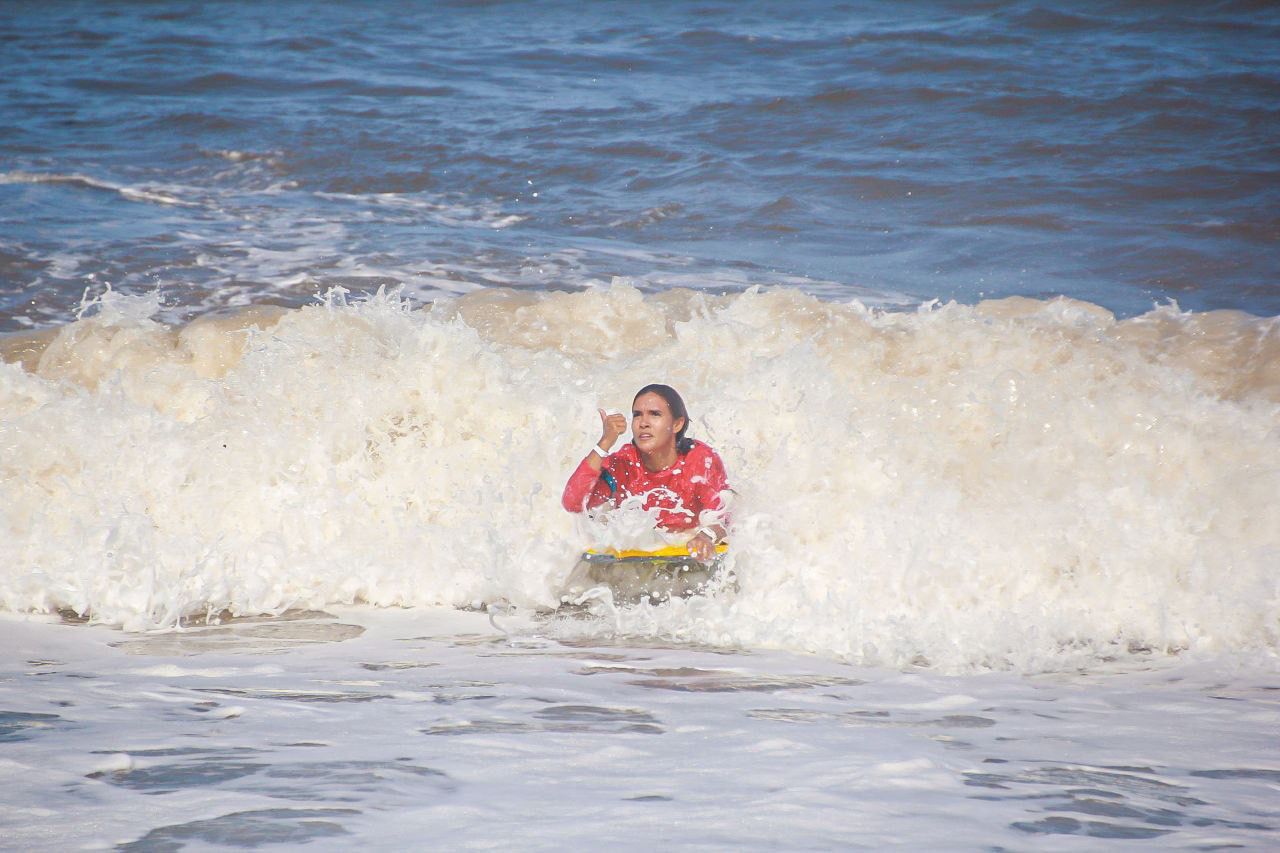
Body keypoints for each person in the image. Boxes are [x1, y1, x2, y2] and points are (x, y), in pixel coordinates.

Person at [562, 384, 729, 562]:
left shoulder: (700, 460)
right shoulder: (623, 464)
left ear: (677, 424)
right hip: (636, 566)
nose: (643, 423)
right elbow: (573, 503)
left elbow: (722, 519)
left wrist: (705, 537)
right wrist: (605, 442)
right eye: (637, 415)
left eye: (655, 414)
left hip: (687, 562)